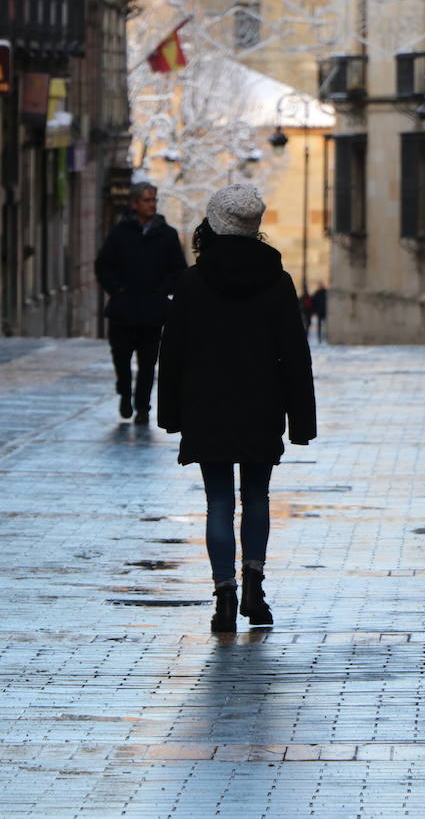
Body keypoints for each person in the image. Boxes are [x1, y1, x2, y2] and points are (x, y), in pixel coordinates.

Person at [157, 184, 316, 632]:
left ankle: (224, 597)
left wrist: (169, 414)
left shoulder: (192, 281)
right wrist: (301, 420)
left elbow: (173, 353)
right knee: (258, 497)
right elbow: (295, 354)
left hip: (206, 406)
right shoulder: (278, 282)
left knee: (219, 500)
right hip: (261, 405)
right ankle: (255, 590)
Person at [95, 182, 187, 425]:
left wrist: (161, 291)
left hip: (152, 311)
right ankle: (125, 393)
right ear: (135, 203)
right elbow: (103, 265)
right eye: (147, 200)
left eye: (154, 200)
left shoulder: (167, 235)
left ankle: (143, 406)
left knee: (148, 363)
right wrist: (117, 289)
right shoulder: (120, 232)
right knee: (121, 358)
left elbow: (179, 269)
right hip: (123, 309)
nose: (152, 205)